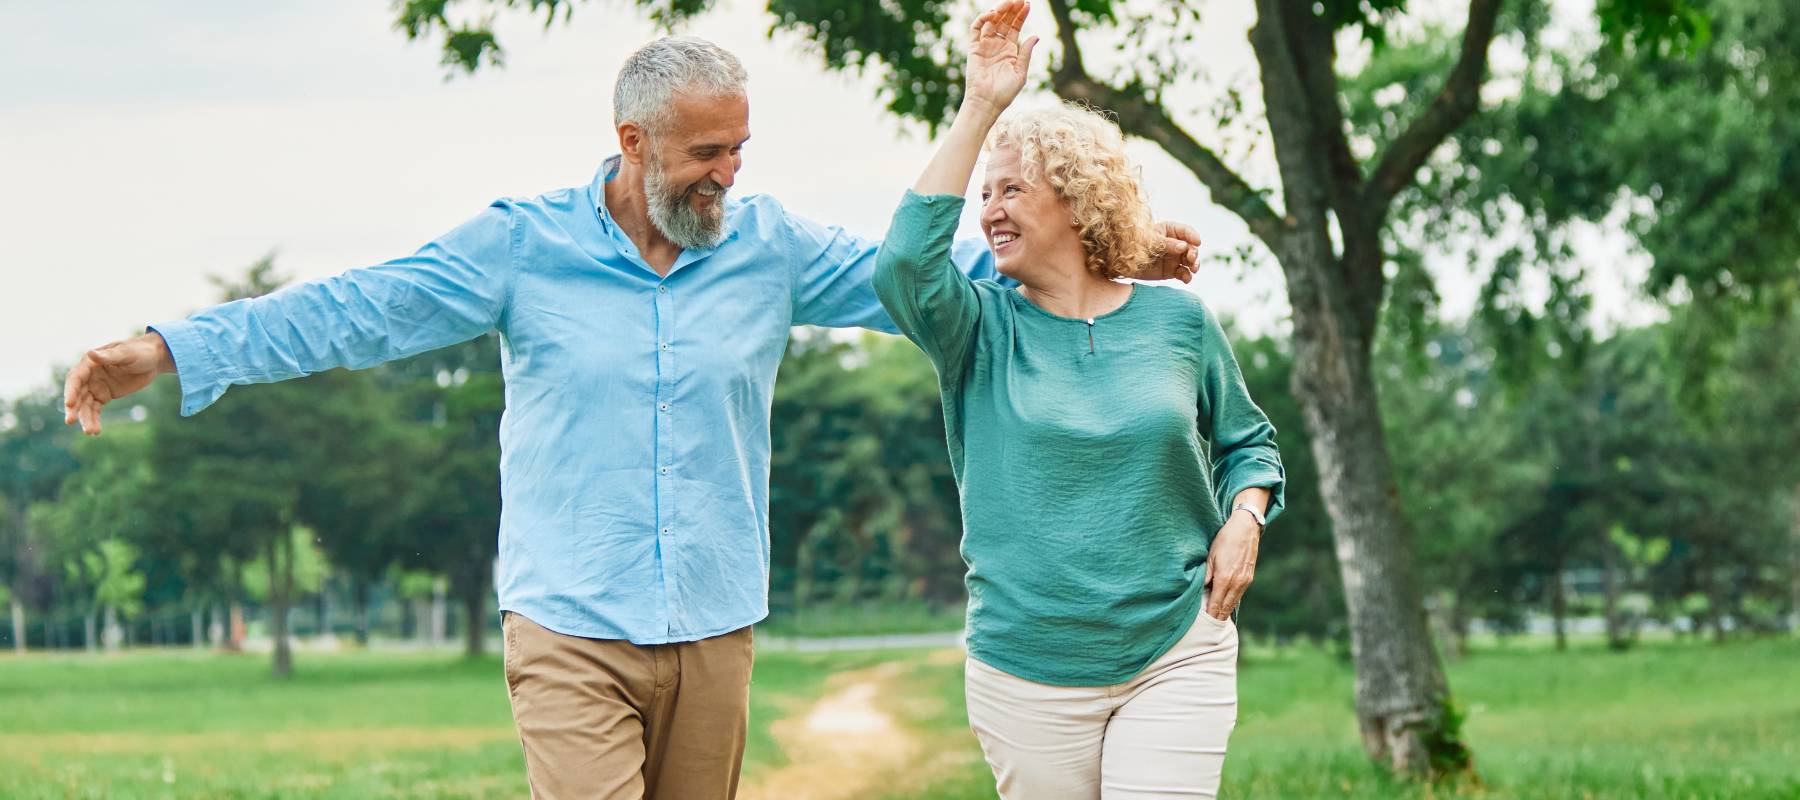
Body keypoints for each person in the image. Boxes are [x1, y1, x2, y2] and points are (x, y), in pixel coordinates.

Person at [60, 34, 1205, 800]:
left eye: (740, 150)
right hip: (570, 620)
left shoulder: (769, 248)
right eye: (708, 154)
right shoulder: (523, 247)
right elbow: (359, 308)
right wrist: (168, 348)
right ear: (634, 145)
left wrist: (1094, 247)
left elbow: (921, 279)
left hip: (712, 623)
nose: (729, 175)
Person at [871, 3, 1286, 797]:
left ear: (1075, 199)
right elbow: (902, 268)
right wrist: (981, 107)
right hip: (1026, 669)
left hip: (1177, 646)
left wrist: (1244, 521)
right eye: (984, 194)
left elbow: (1247, 444)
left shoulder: (1179, 321)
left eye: (1012, 189)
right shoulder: (977, 328)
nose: (988, 209)